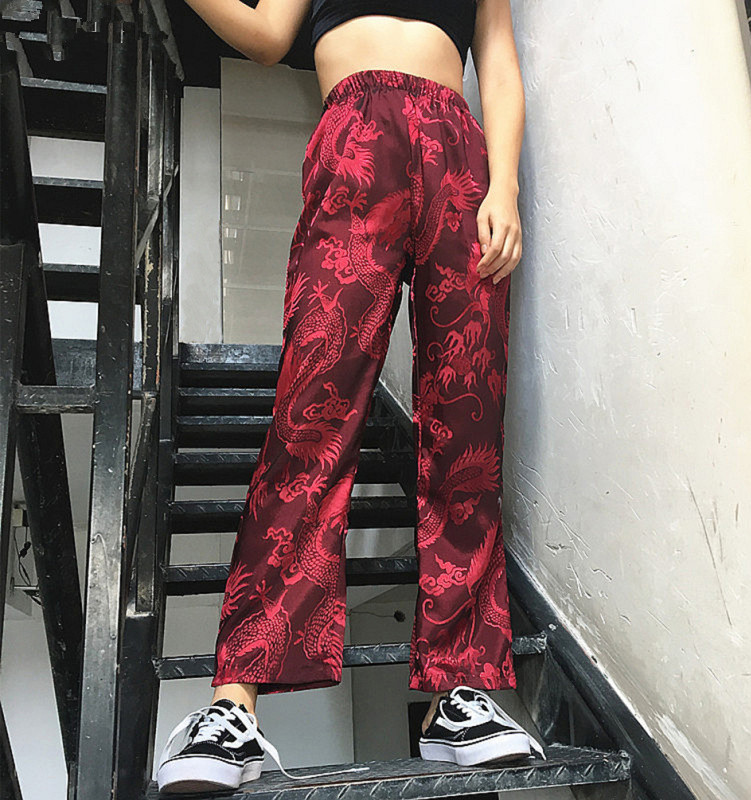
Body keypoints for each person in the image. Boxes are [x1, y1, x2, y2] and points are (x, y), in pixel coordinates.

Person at [156, 0, 535, 793]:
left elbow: (497, 61)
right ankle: (235, 703)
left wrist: (504, 184)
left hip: (458, 154)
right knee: (311, 416)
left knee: (467, 430)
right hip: (356, 136)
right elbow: (268, 36)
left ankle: (461, 689)